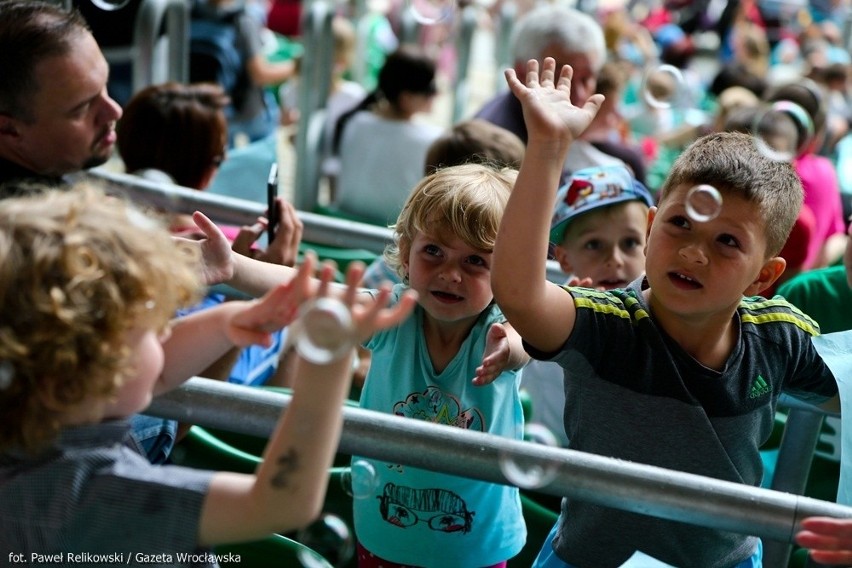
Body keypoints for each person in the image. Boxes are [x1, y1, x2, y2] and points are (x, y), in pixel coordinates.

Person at [491, 57, 840, 567]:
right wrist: (547, 147)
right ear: (652, 226)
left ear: (764, 277)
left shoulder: (779, 338)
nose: (695, 253)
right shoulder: (607, 324)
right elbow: (520, 294)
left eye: (727, 242)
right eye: (680, 224)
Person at [0, 181, 415, 562]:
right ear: (81, 369)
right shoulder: (91, 493)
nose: (166, 328)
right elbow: (280, 501)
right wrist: (329, 356)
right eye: (152, 323)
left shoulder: (42, 421)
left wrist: (227, 322)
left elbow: (154, 373)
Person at [191, 163, 530, 567]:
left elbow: (525, 339)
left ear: (506, 271)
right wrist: (232, 267)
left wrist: (508, 350)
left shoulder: (500, 327)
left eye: (475, 261)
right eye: (434, 251)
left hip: (477, 547)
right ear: (406, 254)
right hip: (384, 534)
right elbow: (309, 290)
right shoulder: (391, 313)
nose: (450, 274)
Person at [523, 164, 653, 449]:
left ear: (650, 245)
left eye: (630, 242)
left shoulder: (662, 310)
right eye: (594, 244)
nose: (615, 259)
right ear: (565, 259)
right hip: (549, 455)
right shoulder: (545, 306)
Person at [473, 4, 626, 180]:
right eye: (560, 77)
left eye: (586, 78)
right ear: (522, 73)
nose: (579, 95)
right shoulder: (492, 150)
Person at [0, 0, 123, 192]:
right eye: (83, 108)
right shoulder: (49, 219)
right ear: (9, 129)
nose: (115, 111)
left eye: (104, 85)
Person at [331, 46, 443, 226]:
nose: (437, 93)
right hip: (389, 237)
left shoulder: (353, 121)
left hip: (341, 226)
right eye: (430, 88)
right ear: (406, 98)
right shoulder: (432, 139)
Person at [190, 0, 296, 147]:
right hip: (246, 108)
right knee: (265, 158)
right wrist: (296, 67)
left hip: (207, 106)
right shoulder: (244, 19)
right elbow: (260, 74)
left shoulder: (191, 13)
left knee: (222, 162)